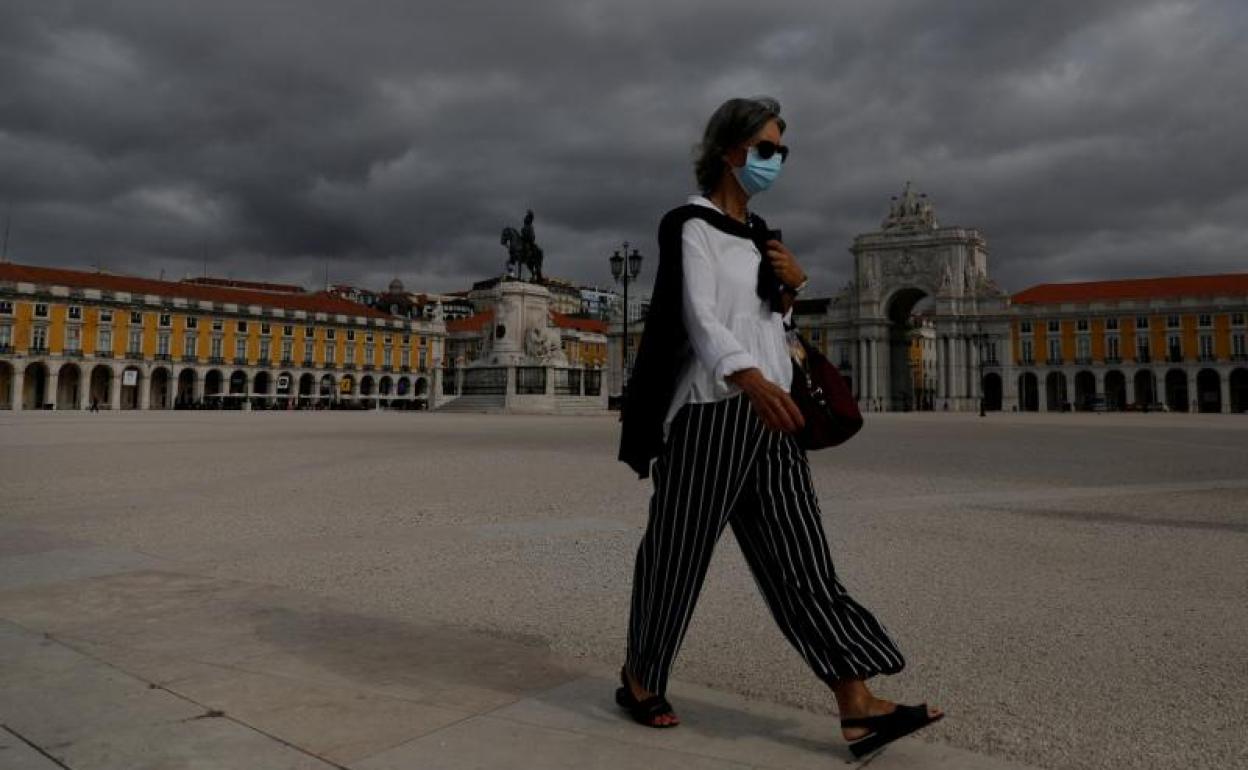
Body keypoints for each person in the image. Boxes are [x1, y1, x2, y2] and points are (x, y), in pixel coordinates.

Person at [616, 97, 942, 758]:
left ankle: (856, 703)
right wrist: (749, 379)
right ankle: (641, 676)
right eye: (767, 149)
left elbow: (769, 323)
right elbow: (699, 317)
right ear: (732, 151)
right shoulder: (690, 224)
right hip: (713, 413)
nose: (776, 162)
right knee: (678, 555)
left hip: (776, 416)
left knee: (804, 562)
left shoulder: (764, 233)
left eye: (781, 152)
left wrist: (792, 287)